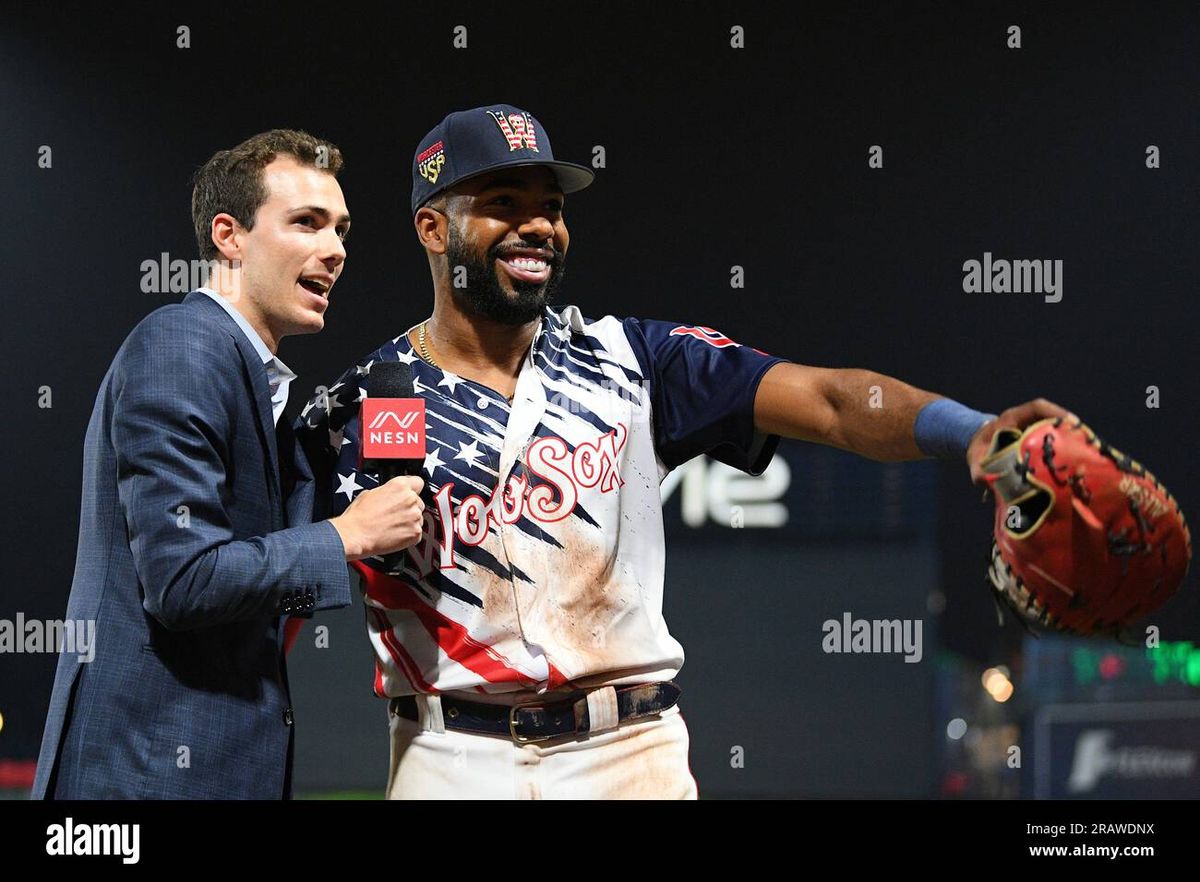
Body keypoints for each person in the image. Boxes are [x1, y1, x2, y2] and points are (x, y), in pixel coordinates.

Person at [296, 105, 1070, 799]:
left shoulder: (633, 362)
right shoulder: (362, 405)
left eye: (552, 208)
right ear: (434, 228)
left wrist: (971, 431)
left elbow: (833, 402)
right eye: (505, 204)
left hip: (629, 754)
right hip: (449, 756)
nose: (538, 225)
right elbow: (266, 582)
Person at [33, 129, 426, 800]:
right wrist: (345, 535)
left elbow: (258, 601)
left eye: (341, 229)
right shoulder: (183, 347)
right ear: (229, 236)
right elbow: (183, 582)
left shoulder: (249, 377)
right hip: (141, 781)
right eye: (306, 222)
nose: (334, 250)